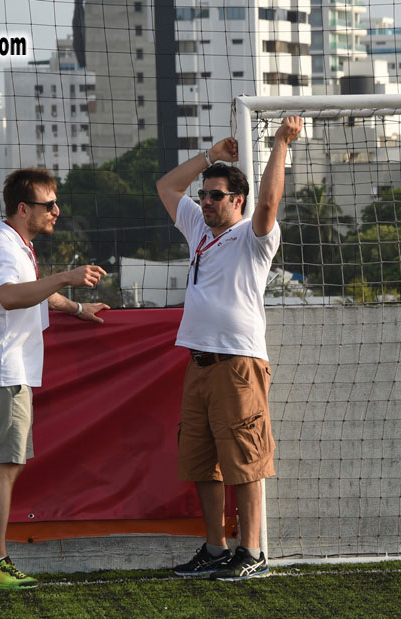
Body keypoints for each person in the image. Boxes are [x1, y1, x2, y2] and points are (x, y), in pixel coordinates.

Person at [156, 116, 303, 581]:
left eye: (215, 196)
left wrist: (281, 143)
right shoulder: (198, 229)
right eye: (203, 195)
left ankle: (252, 551)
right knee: (202, 461)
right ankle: (216, 548)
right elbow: (166, 187)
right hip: (199, 362)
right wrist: (211, 155)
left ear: (237, 200)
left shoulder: (252, 237)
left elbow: (270, 202)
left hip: (238, 363)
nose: (205, 202)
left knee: (245, 459)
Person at [0, 167, 108, 589]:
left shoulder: (17, 244)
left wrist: (77, 308)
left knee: (8, 465)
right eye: (49, 205)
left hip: (10, 371)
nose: (56, 211)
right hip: (3, 371)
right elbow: (10, 296)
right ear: (23, 209)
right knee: (4, 466)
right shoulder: (4, 247)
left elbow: (34, 290)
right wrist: (66, 276)